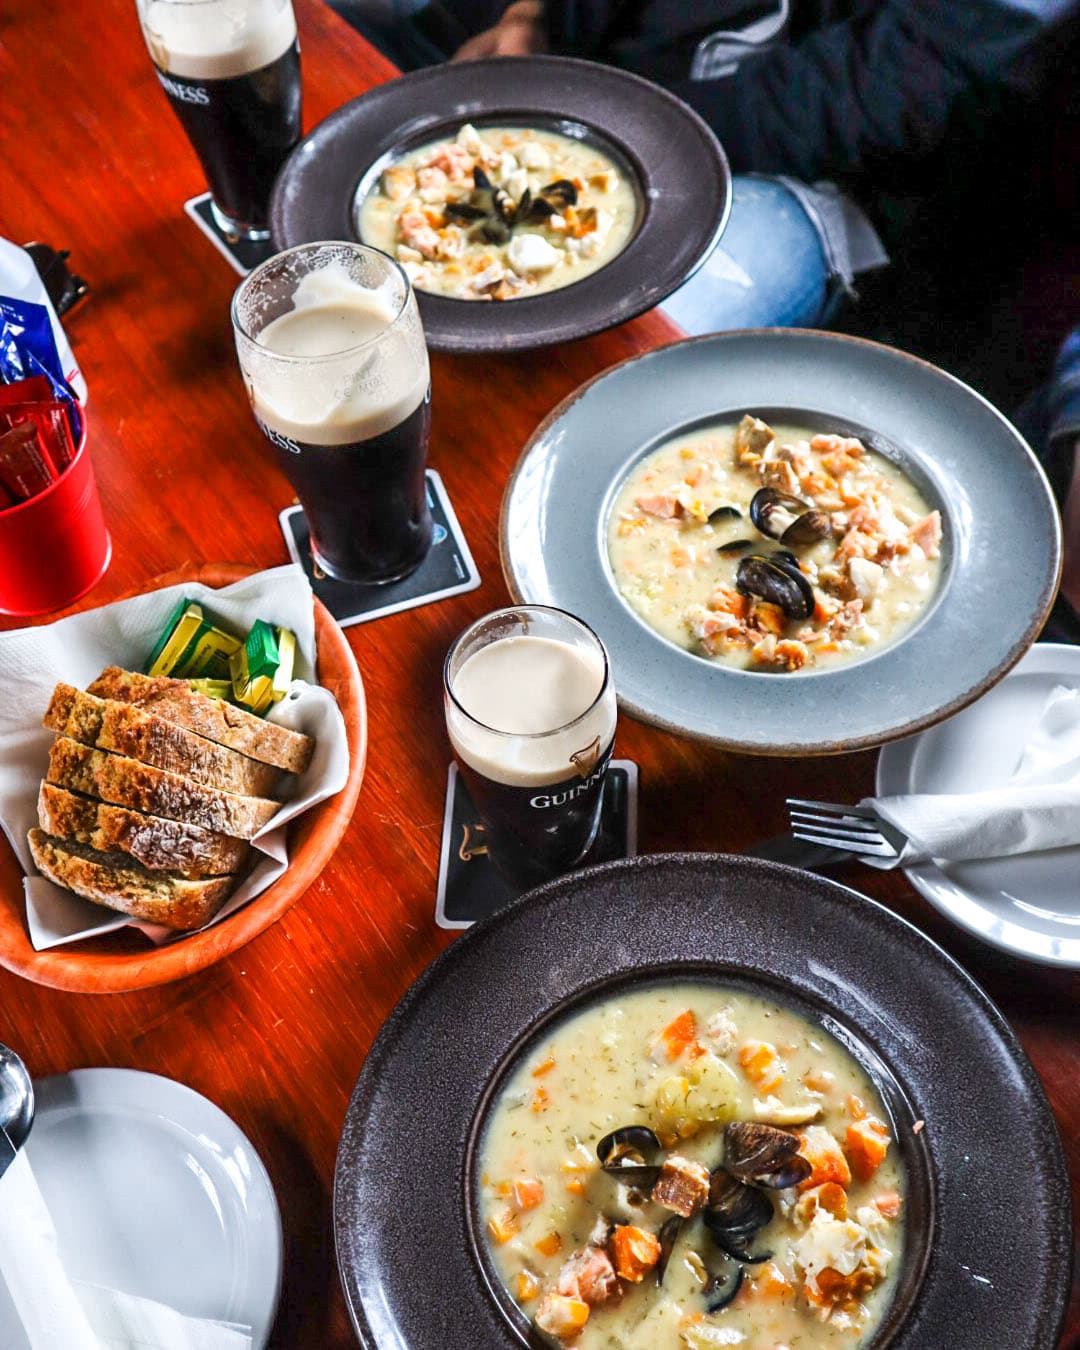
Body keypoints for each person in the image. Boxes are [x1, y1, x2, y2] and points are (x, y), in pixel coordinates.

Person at [330, 0, 1077, 340]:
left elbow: (868, 97)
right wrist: (534, 14)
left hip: (814, 188)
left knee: (604, 349)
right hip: (594, 94)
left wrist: (585, 129)